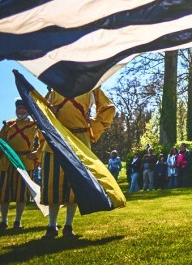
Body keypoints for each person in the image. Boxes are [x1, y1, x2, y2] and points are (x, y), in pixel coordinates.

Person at [41, 87, 115, 239]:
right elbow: (40, 111)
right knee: (52, 185)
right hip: (55, 141)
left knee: (74, 185)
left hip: (79, 142)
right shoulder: (53, 89)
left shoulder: (91, 88)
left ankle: (68, 225)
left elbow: (108, 108)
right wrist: (50, 113)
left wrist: (93, 123)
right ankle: (52, 226)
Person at [0, 98, 43, 229]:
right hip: (7, 161)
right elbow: (1, 141)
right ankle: (4, 221)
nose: (21, 110)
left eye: (24, 108)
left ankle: (17, 221)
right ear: (16, 109)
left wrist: (36, 154)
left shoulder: (35, 125)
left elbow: (43, 141)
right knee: (4, 193)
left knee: (21, 193)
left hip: (25, 161)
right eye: (19, 108)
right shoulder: (8, 124)